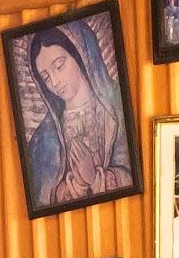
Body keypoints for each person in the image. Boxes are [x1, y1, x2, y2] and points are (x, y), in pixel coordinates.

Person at [22, 25, 132, 206]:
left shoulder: (117, 108)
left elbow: (133, 174)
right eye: (46, 77)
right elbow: (43, 199)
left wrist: (96, 178)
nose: (55, 82)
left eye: (59, 66)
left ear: (80, 54)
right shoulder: (42, 139)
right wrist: (78, 185)